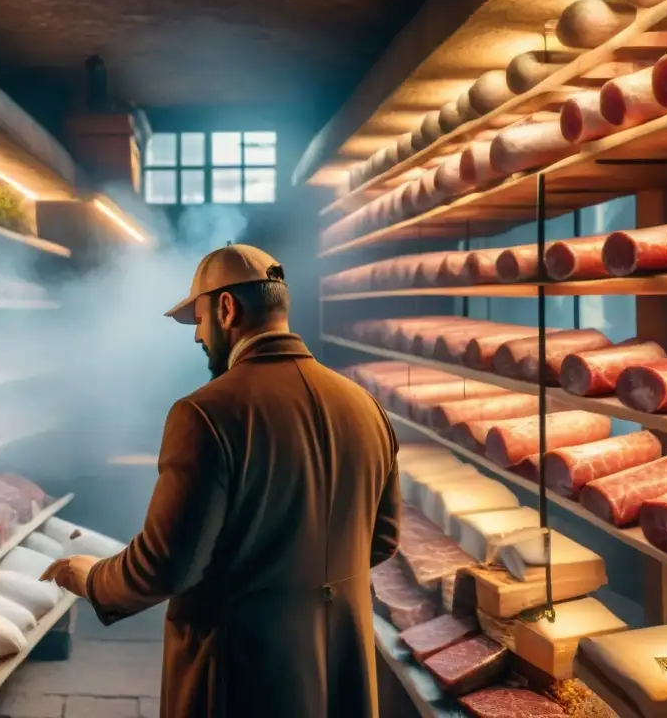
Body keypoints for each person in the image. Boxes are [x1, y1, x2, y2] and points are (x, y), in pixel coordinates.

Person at [42, 243, 400, 718]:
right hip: (343, 672)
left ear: (227, 308)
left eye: (200, 320)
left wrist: (90, 578)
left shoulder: (205, 413)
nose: (198, 338)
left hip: (241, 678)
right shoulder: (366, 406)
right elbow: (383, 538)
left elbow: (166, 566)